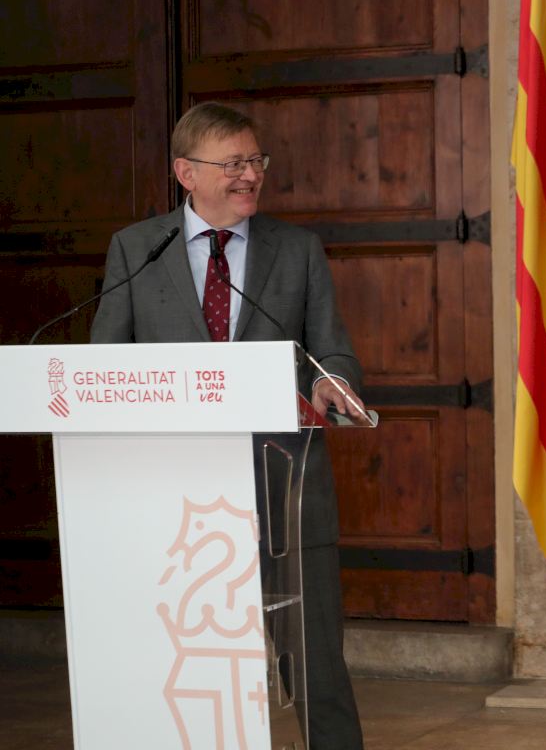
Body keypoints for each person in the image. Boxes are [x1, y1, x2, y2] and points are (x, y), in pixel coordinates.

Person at [91, 101, 367, 749]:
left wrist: (331, 381)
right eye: (233, 163)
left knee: (314, 662)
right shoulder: (137, 247)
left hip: (284, 485)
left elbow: (331, 350)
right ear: (186, 172)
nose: (250, 175)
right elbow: (105, 363)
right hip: (171, 493)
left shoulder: (296, 250)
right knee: (181, 660)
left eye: (256, 161)